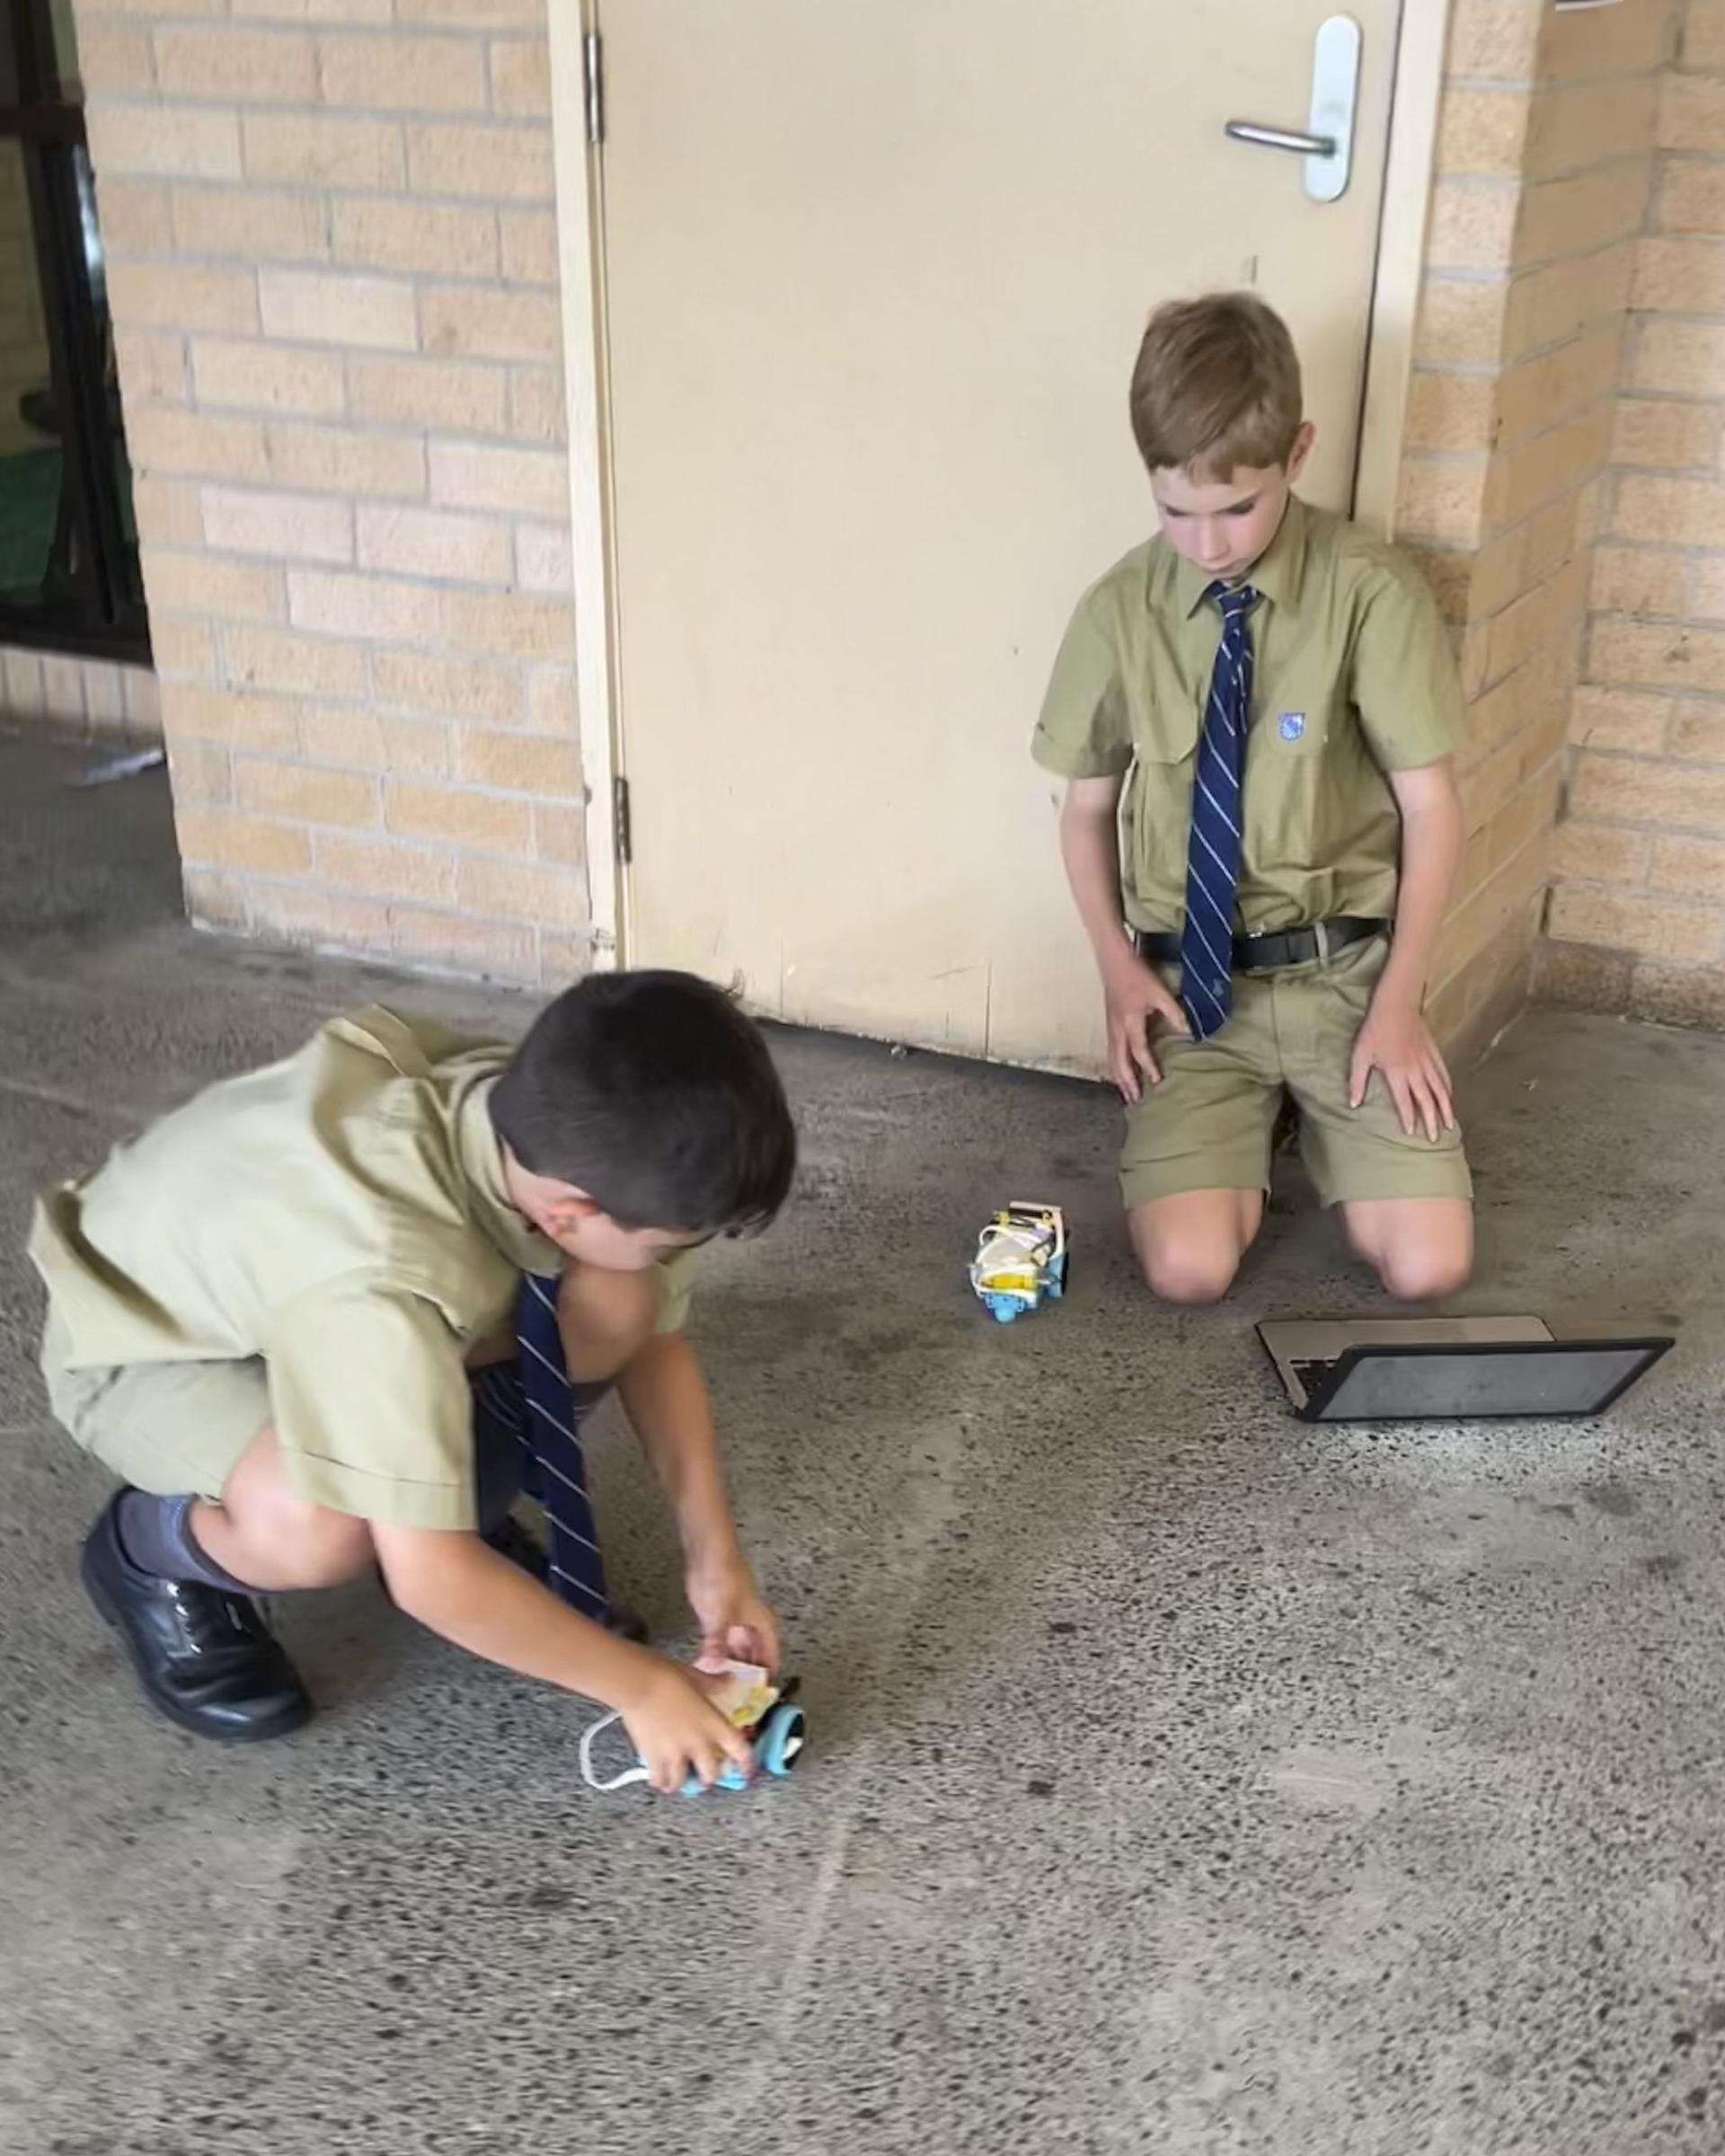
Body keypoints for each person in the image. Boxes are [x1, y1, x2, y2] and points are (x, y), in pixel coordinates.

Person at [28, 970, 797, 1793]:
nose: (677, 1259)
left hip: (303, 1292)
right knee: (325, 1527)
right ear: (568, 1212)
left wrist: (717, 1562)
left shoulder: (556, 1116)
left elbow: (656, 1342)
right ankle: (143, 1553)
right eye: (672, 1243)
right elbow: (429, 1579)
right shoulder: (384, 1276)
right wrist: (641, 1688)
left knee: (618, 1300)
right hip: (144, 1342)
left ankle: (431, 1486)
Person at [1032, 292, 1473, 1306]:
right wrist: (1115, 971)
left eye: (1237, 508)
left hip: (1343, 976)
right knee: (1189, 1270)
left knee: (1430, 1267)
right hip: (1193, 989)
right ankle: (1235, 1127)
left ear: (1298, 453)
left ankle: (1315, 1118)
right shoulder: (1120, 609)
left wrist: (1400, 1001)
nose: (1209, 544)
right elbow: (1086, 811)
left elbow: (1433, 810)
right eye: (1176, 511)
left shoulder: (1370, 591)